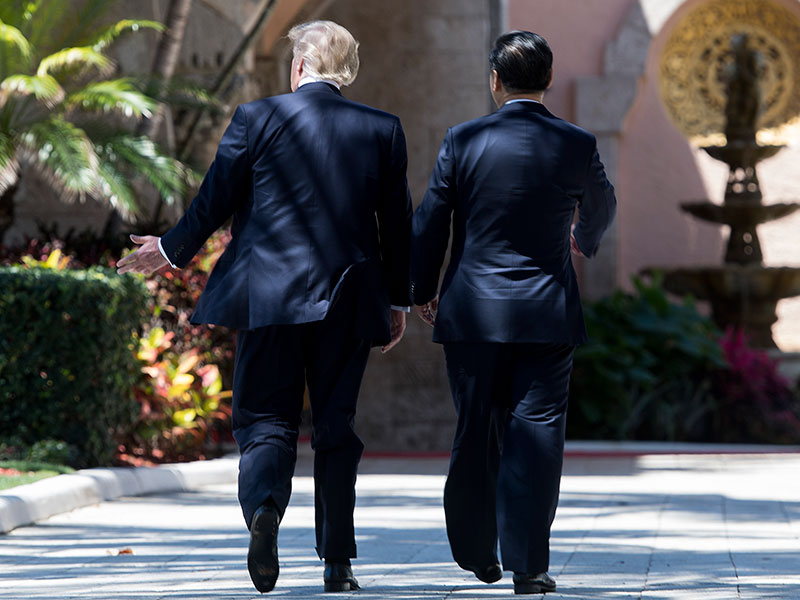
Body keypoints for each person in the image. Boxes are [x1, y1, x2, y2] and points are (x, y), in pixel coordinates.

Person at [117, 20, 412, 594]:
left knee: (265, 420)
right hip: (348, 300)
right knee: (335, 428)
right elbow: (396, 227)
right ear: (346, 71)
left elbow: (214, 200)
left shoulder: (257, 118)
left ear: (298, 66)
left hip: (266, 296)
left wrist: (169, 251)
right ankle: (337, 563)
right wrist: (397, 298)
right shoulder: (382, 129)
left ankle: (264, 514)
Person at [410, 31, 616, 595]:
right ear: (547, 79)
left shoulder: (464, 139)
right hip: (546, 313)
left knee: (477, 428)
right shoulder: (576, 142)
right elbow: (603, 205)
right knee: (538, 433)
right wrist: (584, 236)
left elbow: (430, 222)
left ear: (495, 80)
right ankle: (529, 566)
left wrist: (421, 289)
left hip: (472, 313)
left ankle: (478, 551)